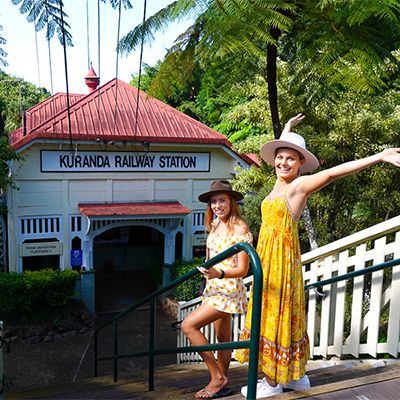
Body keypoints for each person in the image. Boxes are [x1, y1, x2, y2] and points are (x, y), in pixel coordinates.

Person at [236, 114, 400, 398]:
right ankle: (296, 377)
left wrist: (379, 156)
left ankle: (273, 382)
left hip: (281, 264)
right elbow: (282, 155)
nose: (283, 163)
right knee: (283, 315)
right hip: (270, 259)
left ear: (301, 164)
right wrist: (286, 131)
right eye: (280, 157)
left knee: (276, 315)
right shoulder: (278, 184)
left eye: (291, 159)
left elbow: (334, 173)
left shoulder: (298, 187)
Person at [181, 180, 253, 399]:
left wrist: (219, 274)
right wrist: (208, 272)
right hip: (212, 289)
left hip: (228, 291)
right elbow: (212, 258)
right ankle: (221, 379)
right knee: (223, 336)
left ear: (231, 201)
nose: (217, 205)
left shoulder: (240, 228)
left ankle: (216, 377)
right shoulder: (214, 224)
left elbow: (243, 269)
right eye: (213, 201)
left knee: (188, 325)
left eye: (222, 200)